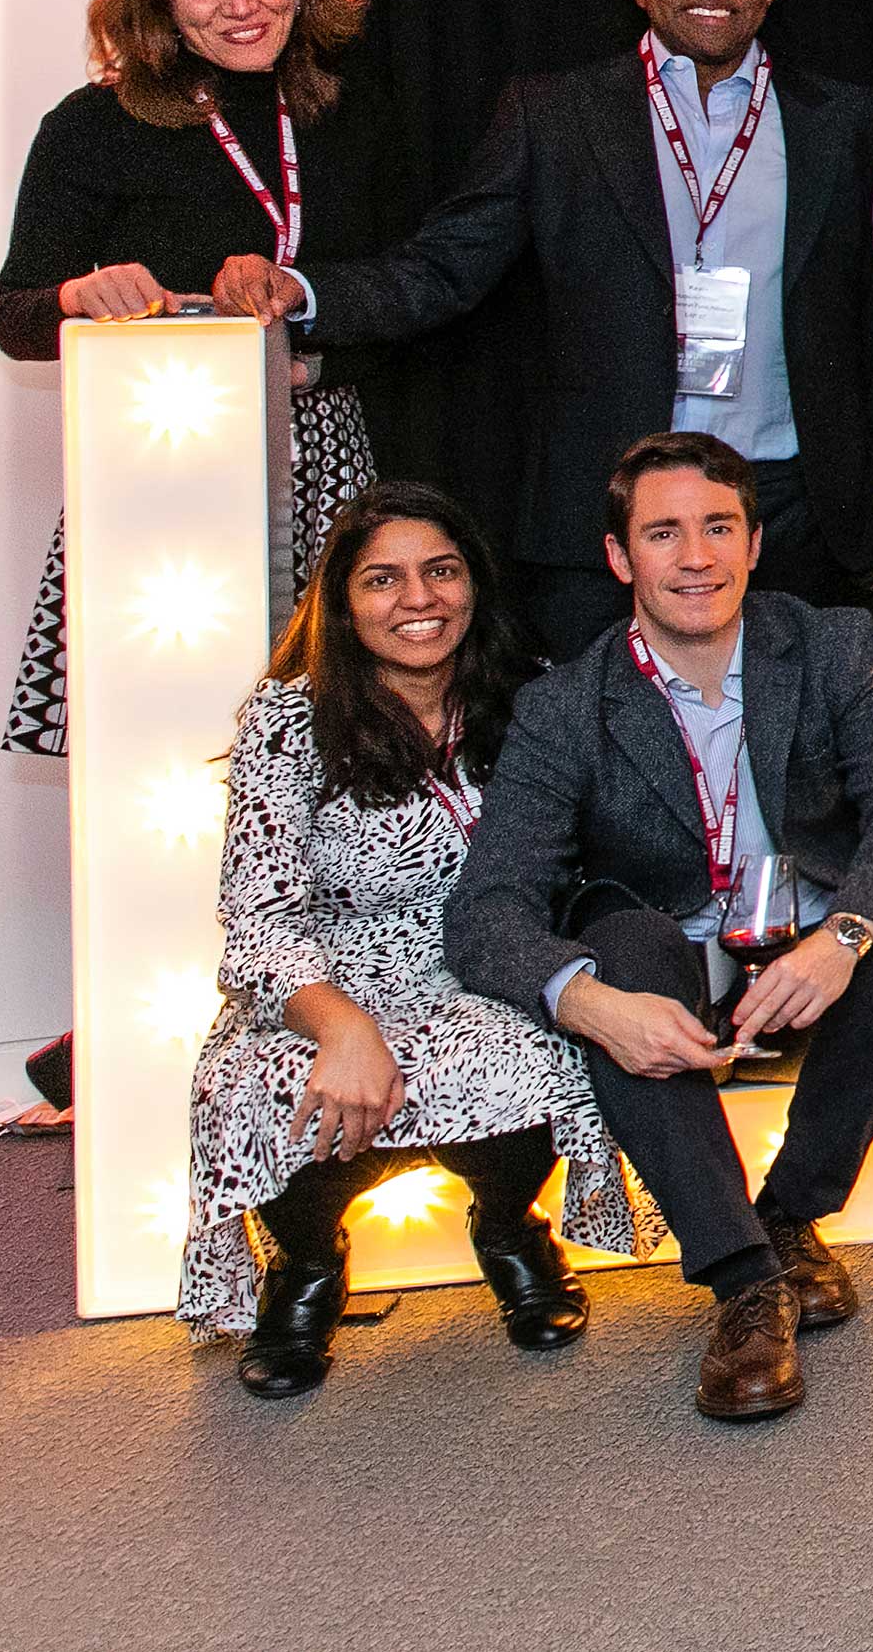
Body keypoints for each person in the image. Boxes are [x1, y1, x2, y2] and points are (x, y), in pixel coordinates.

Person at [225, 0, 873, 655]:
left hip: (792, 509)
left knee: (793, 728)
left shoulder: (846, 121)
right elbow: (443, 268)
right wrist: (302, 290)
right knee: (602, 731)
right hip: (606, 510)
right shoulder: (556, 115)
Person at [445, 433, 873, 1421]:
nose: (695, 557)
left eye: (719, 527)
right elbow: (487, 910)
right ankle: (744, 1282)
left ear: (755, 544)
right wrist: (590, 1005)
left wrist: (843, 934)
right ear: (618, 557)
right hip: (667, 968)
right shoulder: (565, 706)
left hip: (800, 954)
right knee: (622, 952)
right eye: (663, 533)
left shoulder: (830, 646)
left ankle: (790, 1217)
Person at [183, 484, 647, 1393]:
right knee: (261, 1081)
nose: (418, 598)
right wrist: (343, 1026)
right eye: (382, 579)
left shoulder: (532, 698)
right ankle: (307, 1264)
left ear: (474, 582)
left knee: (545, 1041)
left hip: (486, 955)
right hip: (326, 974)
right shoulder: (289, 718)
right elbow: (257, 916)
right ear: (342, 601)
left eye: (441, 571)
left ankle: (508, 1227)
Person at [0, 0, 417, 757]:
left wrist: (308, 347)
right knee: (158, 747)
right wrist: (75, 298)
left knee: (334, 744)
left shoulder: (354, 114)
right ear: (160, 3)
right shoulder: (93, 126)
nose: (240, 5)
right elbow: (11, 315)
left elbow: (415, 291)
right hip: (161, 469)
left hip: (327, 463)